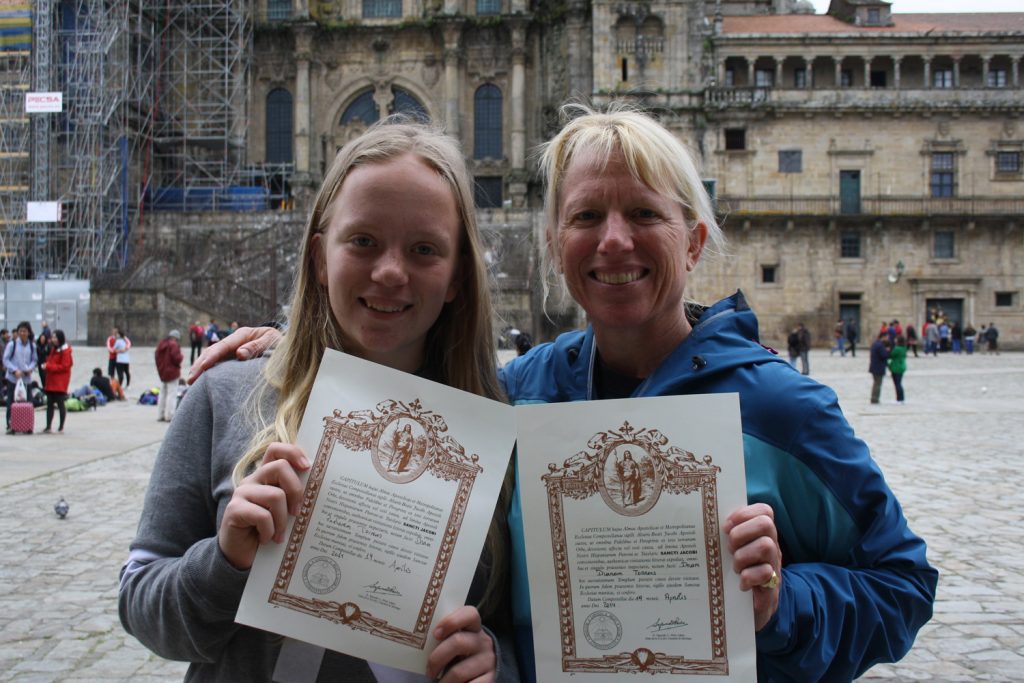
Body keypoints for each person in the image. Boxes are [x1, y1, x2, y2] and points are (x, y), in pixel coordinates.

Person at [193, 105, 937, 681]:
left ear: (695, 240)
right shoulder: (510, 397)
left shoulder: (780, 408)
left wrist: (781, 606)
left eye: (645, 213)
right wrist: (292, 350)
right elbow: (404, 397)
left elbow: (903, 584)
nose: (614, 241)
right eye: (586, 216)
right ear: (555, 243)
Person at [119, 121, 518, 682]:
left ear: (456, 277)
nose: (389, 272)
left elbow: (515, 625)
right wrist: (226, 562)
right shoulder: (227, 393)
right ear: (318, 257)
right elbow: (142, 606)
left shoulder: (494, 430)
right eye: (363, 241)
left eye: (425, 249)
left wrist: (496, 662)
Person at [4, 321, 37, 434]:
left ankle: (27, 425)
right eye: (21, 331)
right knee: (11, 402)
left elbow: (34, 360)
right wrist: (14, 370)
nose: (23, 333)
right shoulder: (12, 344)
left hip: (26, 379)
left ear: (29, 332)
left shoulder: (32, 345)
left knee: (28, 402)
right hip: (13, 379)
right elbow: (6, 359)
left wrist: (30, 368)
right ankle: (10, 425)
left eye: (25, 331)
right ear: (17, 332)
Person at [41, 329, 73, 433]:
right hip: (51, 381)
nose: (52, 339)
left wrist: (48, 366)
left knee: (60, 404)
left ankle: (61, 426)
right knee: (50, 404)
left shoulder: (65, 351)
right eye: (52, 337)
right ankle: (48, 426)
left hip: (60, 382)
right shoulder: (54, 350)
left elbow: (65, 366)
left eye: (55, 337)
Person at [154, 329, 184, 423]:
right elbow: (177, 358)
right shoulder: (174, 345)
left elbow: (157, 357)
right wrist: (181, 356)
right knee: (172, 394)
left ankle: (160, 414)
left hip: (163, 372)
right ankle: (170, 416)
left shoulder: (161, 344)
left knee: (162, 393)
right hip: (172, 372)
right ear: (176, 338)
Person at [869, 331, 891, 404]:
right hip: (878, 367)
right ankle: (875, 398)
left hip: (874, 367)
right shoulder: (880, 345)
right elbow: (884, 355)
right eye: (887, 337)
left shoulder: (875, 344)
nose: (888, 339)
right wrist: (887, 351)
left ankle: (873, 397)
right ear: (883, 337)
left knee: (876, 383)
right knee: (878, 384)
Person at [888, 334, 907, 404]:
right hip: (901, 366)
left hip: (896, 367)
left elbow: (891, 355)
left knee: (897, 384)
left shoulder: (897, 348)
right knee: (898, 383)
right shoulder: (903, 348)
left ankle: (900, 399)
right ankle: (900, 398)